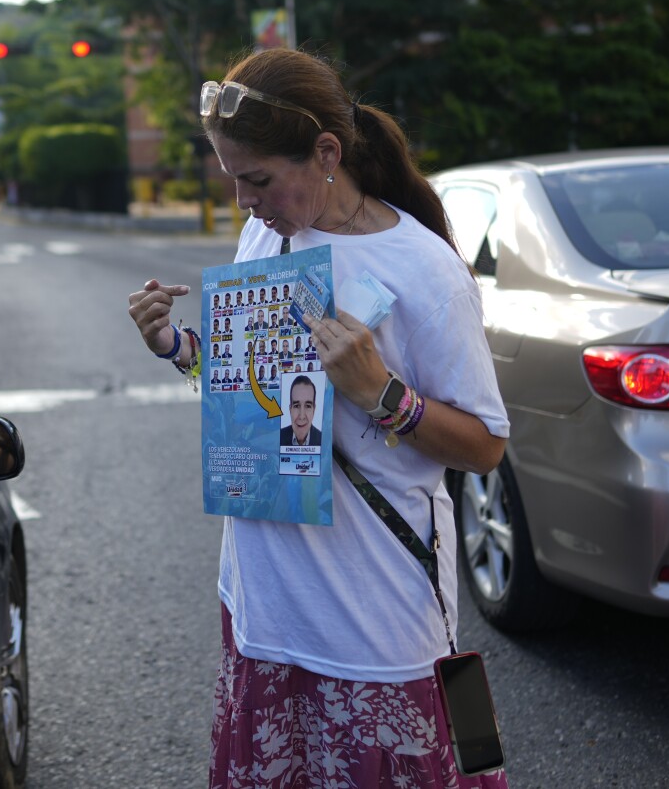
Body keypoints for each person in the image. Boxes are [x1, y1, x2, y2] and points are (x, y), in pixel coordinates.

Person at [125, 48, 509, 788]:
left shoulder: (426, 271)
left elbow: (486, 447)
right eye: (230, 177)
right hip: (264, 599)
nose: (241, 199)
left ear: (327, 153)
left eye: (257, 178)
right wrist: (178, 348)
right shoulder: (268, 235)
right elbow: (253, 391)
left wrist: (382, 394)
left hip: (371, 615)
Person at [279, 375, 322, 447]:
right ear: (290, 410)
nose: (301, 416)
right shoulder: (278, 438)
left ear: (314, 410)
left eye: (308, 406)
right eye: (296, 406)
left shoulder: (323, 441)